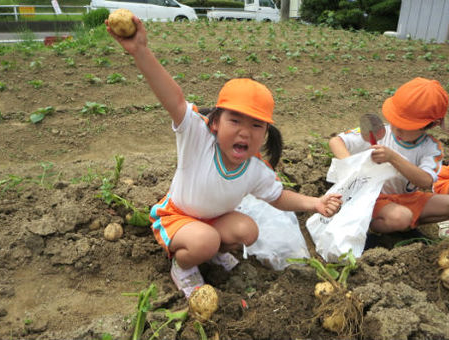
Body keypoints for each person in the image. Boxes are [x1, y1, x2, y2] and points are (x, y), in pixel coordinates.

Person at [106, 17, 342, 297]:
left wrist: (315, 203)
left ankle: (211, 253)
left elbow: (277, 197)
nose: (245, 133)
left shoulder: (256, 168)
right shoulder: (197, 137)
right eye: (235, 121)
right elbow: (175, 100)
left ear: (266, 133)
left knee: (248, 231)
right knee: (205, 240)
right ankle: (183, 266)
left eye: (256, 125)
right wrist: (140, 51)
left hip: (212, 222)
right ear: (215, 122)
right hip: (177, 218)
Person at [329, 77, 449, 235]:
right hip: (372, 197)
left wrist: (393, 158)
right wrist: (352, 166)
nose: (397, 129)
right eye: (395, 121)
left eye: (405, 126)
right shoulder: (379, 132)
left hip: (407, 198)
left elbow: (425, 181)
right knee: (400, 217)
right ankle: (371, 228)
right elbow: (336, 141)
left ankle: (403, 224)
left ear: (432, 124)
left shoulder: (431, 147)